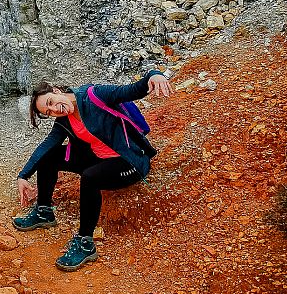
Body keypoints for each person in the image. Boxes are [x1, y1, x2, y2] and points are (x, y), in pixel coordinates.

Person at [13, 71, 173, 271]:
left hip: (128, 161)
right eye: (49, 112)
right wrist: (23, 175)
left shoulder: (95, 95)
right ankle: (44, 212)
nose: (55, 109)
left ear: (57, 91)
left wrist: (154, 75)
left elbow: (132, 90)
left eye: (52, 102)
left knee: (90, 178)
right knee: (49, 156)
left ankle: (85, 242)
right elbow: (47, 144)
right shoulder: (64, 120)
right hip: (99, 158)